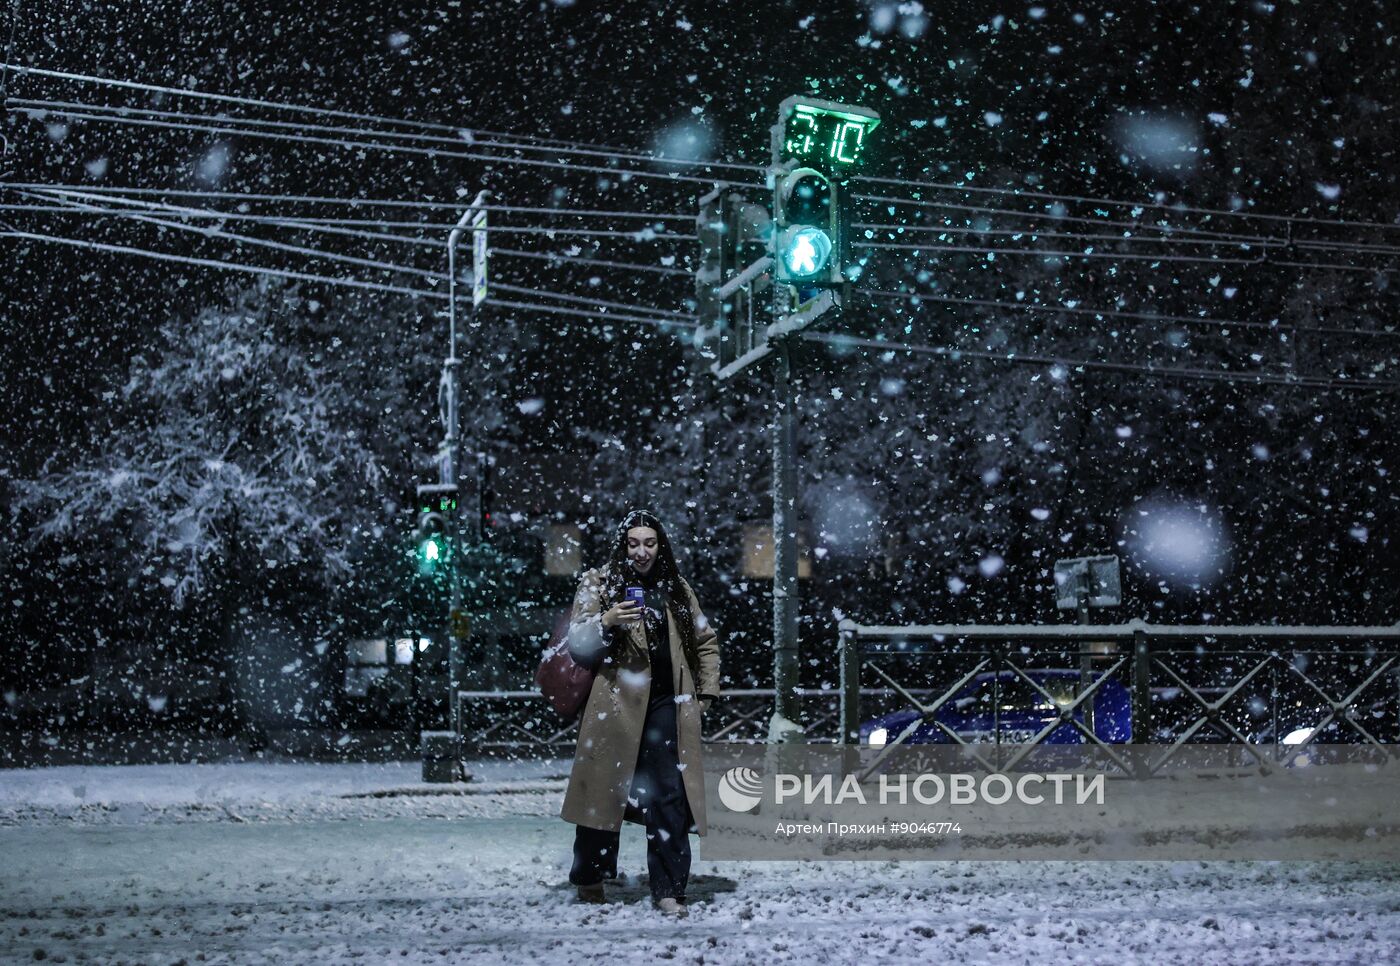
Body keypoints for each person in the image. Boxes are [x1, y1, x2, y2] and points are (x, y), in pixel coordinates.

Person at [560, 509, 721, 917]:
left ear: (660, 545)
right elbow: (577, 642)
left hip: (667, 704)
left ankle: (670, 889)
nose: (642, 551)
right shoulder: (600, 582)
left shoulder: (677, 587)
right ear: (623, 546)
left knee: (669, 796)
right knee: (602, 792)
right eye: (633, 543)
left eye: (649, 543)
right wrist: (607, 620)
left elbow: (705, 641)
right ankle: (591, 879)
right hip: (615, 703)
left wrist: (704, 693)